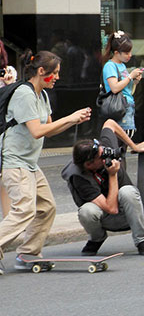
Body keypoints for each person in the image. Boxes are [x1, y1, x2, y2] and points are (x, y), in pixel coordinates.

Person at [0, 50, 91, 275]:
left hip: (30, 163)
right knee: (24, 210)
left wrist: (73, 120)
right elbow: (37, 131)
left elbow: (50, 129)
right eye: (55, 73)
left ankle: (28, 252)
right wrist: (70, 117)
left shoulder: (43, 95)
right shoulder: (24, 94)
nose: (58, 77)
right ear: (42, 72)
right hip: (15, 162)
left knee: (46, 207)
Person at [61, 119, 144, 256]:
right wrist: (113, 175)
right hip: (105, 214)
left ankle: (142, 240)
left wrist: (133, 146)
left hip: (129, 210)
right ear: (89, 164)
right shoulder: (78, 177)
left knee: (127, 191)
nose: (107, 156)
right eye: (102, 157)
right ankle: (97, 238)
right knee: (86, 211)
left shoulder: (105, 149)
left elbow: (109, 123)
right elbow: (112, 209)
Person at [101, 31, 143, 137]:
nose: (130, 55)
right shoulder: (110, 66)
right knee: (122, 137)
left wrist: (135, 80)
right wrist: (130, 76)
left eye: (130, 52)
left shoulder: (122, 65)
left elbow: (126, 88)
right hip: (120, 108)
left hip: (127, 106)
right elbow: (114, 88)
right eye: (126, 53)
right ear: (116, 53)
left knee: (127, 136)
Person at [0, 39, 17, 218]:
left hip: (2, 130)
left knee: (2, 180)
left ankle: (7, 225)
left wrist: (9, 84)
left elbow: (15, 102)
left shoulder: (9, 72)